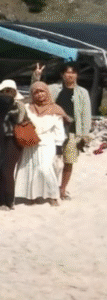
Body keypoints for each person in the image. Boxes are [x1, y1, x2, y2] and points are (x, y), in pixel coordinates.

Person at [32, 63, 93, 200]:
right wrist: (37, 76)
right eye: (67, 72)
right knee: (49, 161)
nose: (70, 75)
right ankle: (48, 189)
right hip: (53, 131)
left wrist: (84, 136)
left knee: (68, 161)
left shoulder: (82, 92)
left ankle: (62, 189)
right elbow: (37, 90)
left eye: (73, 72)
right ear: (62, 75)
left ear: (77, 75)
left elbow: (86, 115)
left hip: (72, 132)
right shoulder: (54, 88)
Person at [14, 82, 67, 205]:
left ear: (47, 92)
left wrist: (59, 147)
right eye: (36, 92)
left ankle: (53, 195)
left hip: (47, 143)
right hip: (30, 142)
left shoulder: (55, 109)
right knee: (29, 169)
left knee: (44, 168)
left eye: (42, 91)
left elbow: (59, 130)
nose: (39, 94)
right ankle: (31, 196)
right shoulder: (27, 107)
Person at [0, 79, 26, 210]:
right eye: (5, 91)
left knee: (7, 171)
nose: (7, 93)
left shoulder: (17, 105)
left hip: (13, 140)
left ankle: (9, 201)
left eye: (10, 91)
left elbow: (18, 118)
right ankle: (1, 200)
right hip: (0, 139)